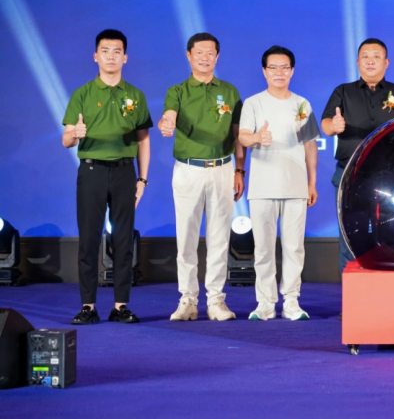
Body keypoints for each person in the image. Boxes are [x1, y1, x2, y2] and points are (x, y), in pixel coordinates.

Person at [62, 29, 151, 325]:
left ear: (125, 57)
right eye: (105, 50)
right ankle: (88, 306)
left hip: (125, 172)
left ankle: (120, 306)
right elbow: (66, 139)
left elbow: (143, 141)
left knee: (123, 240)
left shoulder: (135, 95)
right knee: (88, 239)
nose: (111, 56)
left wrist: (142, 180)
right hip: (91, 171)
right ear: (95, 56)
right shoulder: (83, 93)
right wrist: (75, 133)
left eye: (117, 51)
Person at [159, 32, 246, 321]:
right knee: (186, 237)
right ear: (189, 55)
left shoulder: (230, 91)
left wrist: (239, 170)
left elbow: (237, 135)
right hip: (188, 169)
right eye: (199, 52)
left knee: (219, 238)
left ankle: (216, 301)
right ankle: (187, 300)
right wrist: (167, 122)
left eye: (210, 53)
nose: (205, 57)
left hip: (222, 168)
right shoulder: (178, 90)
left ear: (217, 57)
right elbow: (169, 114)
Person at [321, 38, 394, 278]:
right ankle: (352, 296)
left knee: (389, 234)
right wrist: (334, 126)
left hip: (389, 176)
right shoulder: (343, 91)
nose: (370, 61)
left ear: (386, 62)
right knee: (350, 235)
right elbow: (326, 124)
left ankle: (386, 293)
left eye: (376, 56)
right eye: (365, 56)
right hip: (350, 175)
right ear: (358, 62)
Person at [238, 45, 320, 321]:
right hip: (262, 187)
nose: (279, 73)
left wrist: (312, 182)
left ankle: (291, 302)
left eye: (284, 67)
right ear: (264, 71)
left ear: (292, 71)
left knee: (294, 247)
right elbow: (243, 137)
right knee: (263, 248)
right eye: (273, 67)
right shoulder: (253, 103)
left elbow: (310, 145)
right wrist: (256, 138)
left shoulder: (302, 104)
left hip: (295, 186)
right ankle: (265, 303)